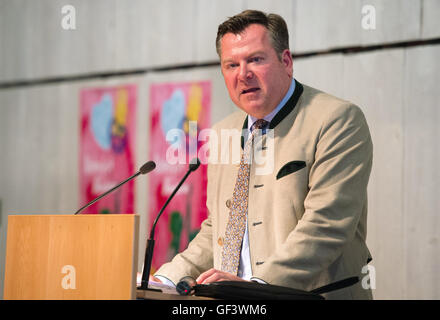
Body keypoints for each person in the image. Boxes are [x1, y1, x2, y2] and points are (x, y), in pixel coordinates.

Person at [153, 9, 373, 299]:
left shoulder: (337, 120)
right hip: (233, 301)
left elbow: (326, 226)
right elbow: (217, 227)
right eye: (231, 64)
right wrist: (166, 276)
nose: (243, 74)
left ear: (286, 62)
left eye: (255, 59)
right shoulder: (222, 132)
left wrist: (257, 287)